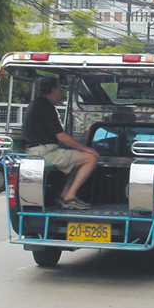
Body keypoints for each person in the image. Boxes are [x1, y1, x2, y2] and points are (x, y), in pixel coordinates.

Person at [22, 77, 99, 210]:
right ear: (53, 90)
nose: (61, 92)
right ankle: (69, 197)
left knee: (77, 162)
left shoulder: (37, 103)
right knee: (90, 158)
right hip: (44, 153)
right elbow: (61, 136)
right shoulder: (45, 106)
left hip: (38, 150)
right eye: (59, 88)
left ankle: (64, 196)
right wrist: (85, 148)